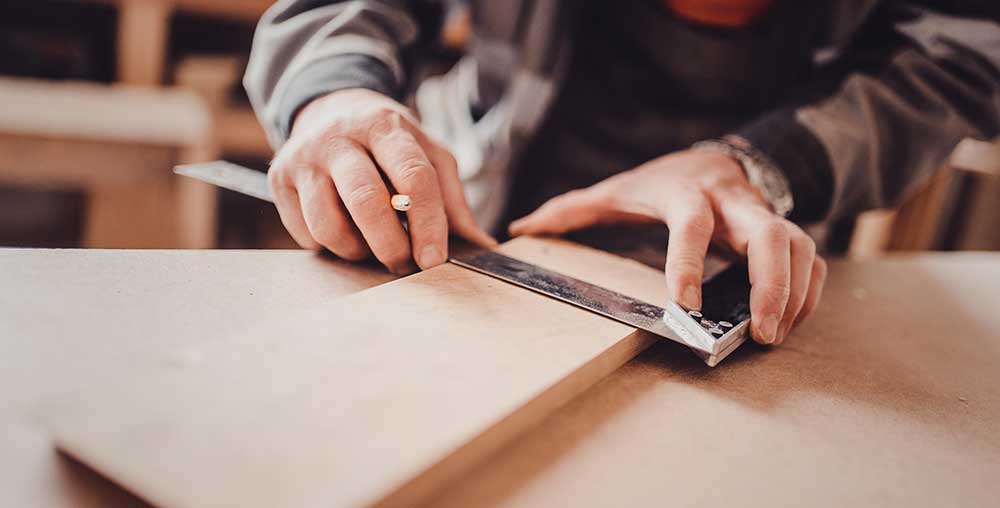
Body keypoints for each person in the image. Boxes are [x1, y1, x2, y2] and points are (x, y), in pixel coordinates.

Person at [243, 0, 1000, 346]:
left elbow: (964, 53)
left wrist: (762, 165)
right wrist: (334, 94)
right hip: (482, 228)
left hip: (744, 267)